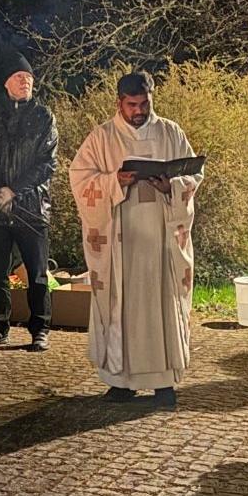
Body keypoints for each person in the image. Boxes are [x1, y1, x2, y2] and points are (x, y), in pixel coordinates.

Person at [70, 71, 201, 408]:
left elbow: (193, 173)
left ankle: (164, 383)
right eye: (132, 105)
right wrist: (116, 181)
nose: (140, 111)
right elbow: (80, 178)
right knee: (122, 304)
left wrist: (170, 186)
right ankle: (122, 382)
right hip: (120, 240)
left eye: (145, 103)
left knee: (161, 304)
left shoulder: (170, 131)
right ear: (119, 103)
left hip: (161, 237)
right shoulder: (102, 137)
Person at [0, 61, 58, 351]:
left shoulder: (43, 116)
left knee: (37, 273)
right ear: (6, 82)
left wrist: (14, 191)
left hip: (32, 208)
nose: (26, 81)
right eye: (19, 76)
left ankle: (40, 328)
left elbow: (47, 162)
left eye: (29, 77)